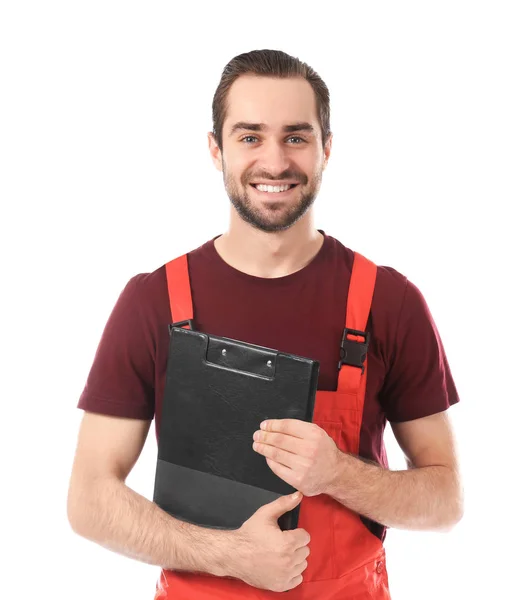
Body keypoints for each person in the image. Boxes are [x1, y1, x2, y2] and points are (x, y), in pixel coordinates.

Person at [67, 49, 463, 599]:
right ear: (216, 149)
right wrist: (230, 556)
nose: (274, 162)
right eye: (250, 137)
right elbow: (89, 498)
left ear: (327, 148)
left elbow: (445, 500)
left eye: (296, 137)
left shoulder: (386, 301)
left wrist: (336, 474)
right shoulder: (154, 302)